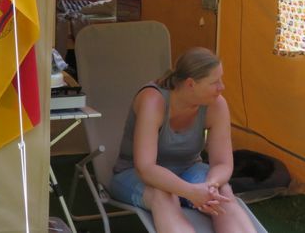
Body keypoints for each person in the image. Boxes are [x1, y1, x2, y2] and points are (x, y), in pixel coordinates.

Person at [109, 47, 257, 233]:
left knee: (222, 193)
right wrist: (190, 191)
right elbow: (145, 168)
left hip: (188, 169)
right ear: (190, 84)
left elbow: (223, 163)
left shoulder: (217, 105)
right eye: (214, 82)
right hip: (135, 174)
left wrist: (211, 185)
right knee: (163, 194)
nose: (222, 87)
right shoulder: (153, 100)